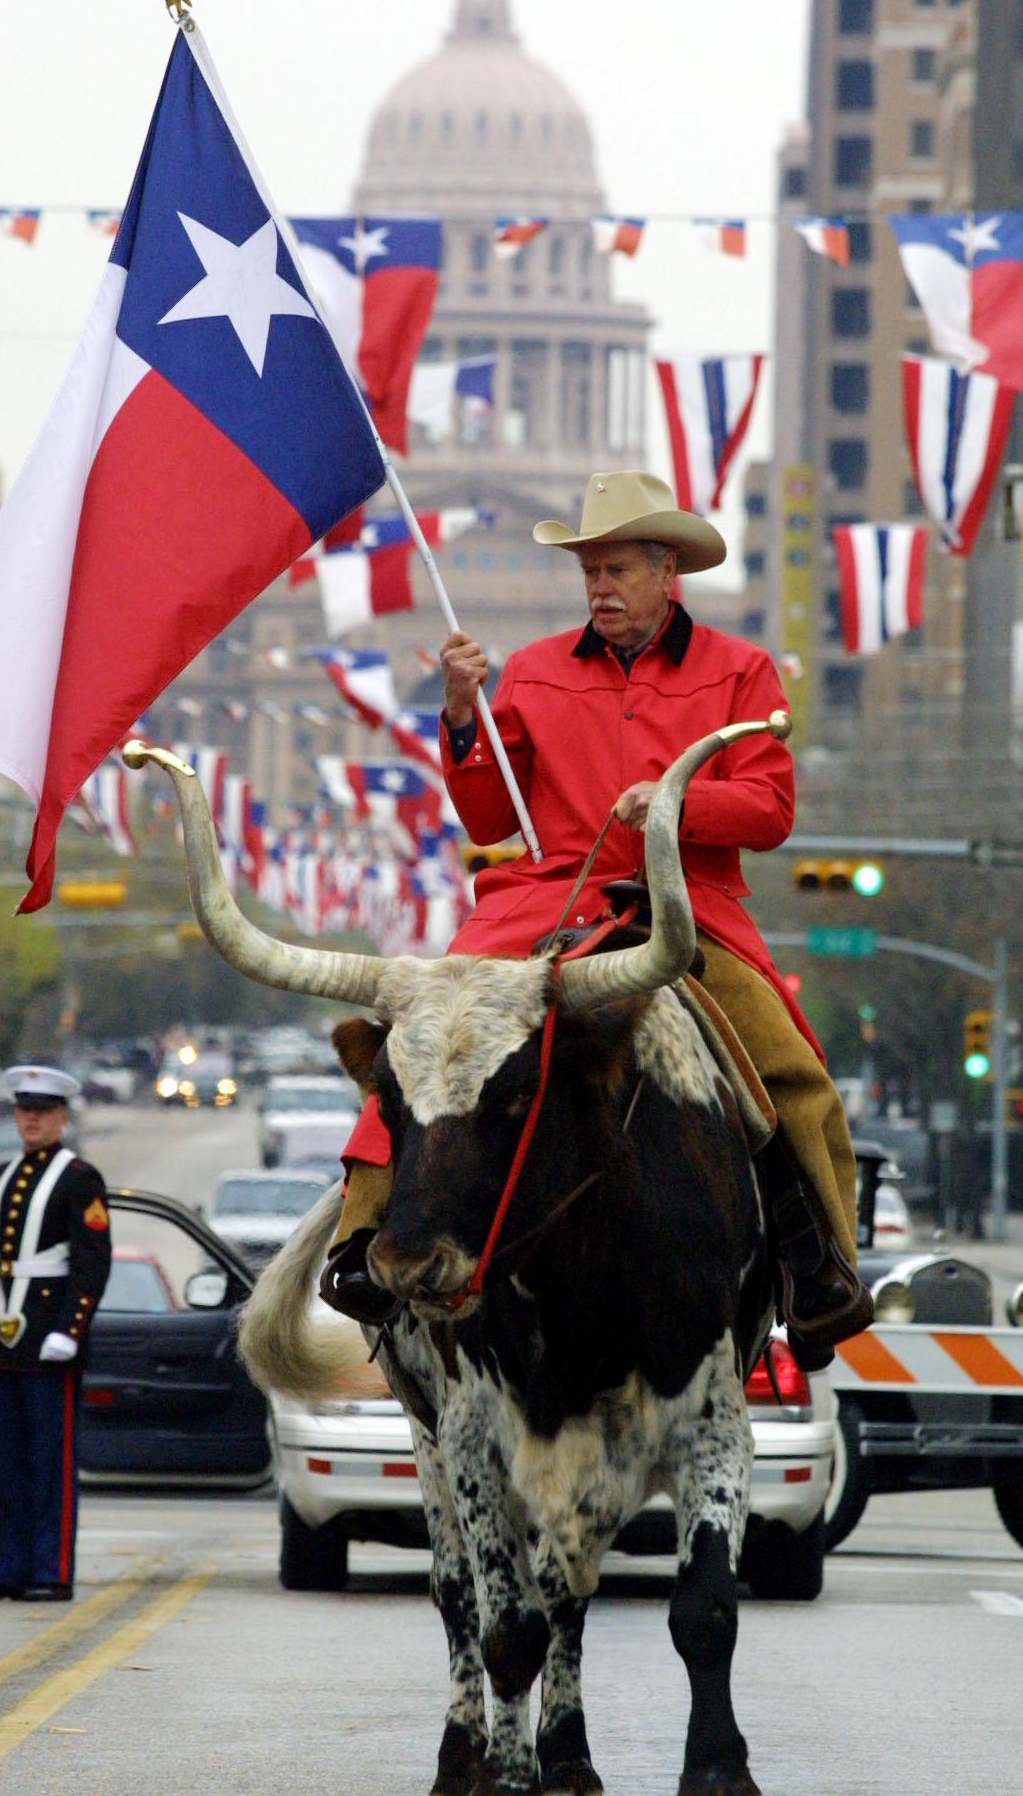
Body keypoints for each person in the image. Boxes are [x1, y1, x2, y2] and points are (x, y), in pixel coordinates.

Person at [328, 470, 872, 1364]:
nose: (600, 587)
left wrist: (671, 805)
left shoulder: (742, 670)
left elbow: (769, 811)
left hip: (684, 908)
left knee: (789, 1066)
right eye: (589, 572)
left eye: (616, 569)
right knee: (429, 1037)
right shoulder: (534, 669)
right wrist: (461, 714)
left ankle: (820, 1265)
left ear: (669, 572)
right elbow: (490, 817)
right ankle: (364, 1232)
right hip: (547, 900)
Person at [0, 1067, 111, 1602]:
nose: (31, 1119)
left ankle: (51, 1571)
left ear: (61, 1117)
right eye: (24, 1110)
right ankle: (9, 1570)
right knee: (8, 1466)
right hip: (6, 1339)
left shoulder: (79, 1179)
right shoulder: (1, 1174)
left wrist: (71, 1330)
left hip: (51, 1338)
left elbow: (92, 1264)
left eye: (42, 1111)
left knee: (51, 1465)